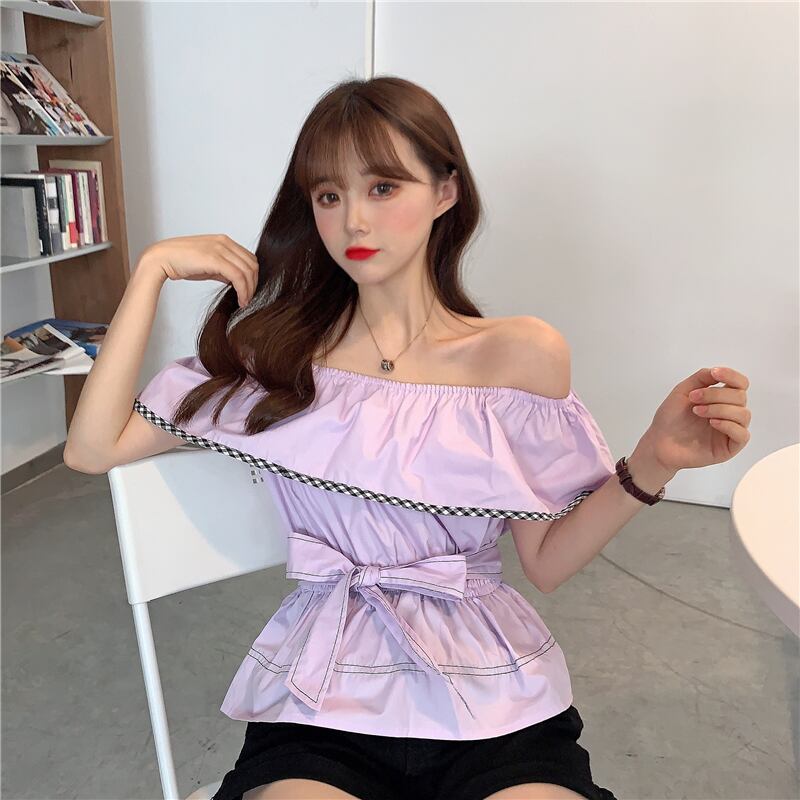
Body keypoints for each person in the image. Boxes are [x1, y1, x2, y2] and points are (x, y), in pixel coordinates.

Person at [64, 76, 751, 800]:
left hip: (490, 696)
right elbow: (91, 447)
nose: (353, 220)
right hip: (325, 692)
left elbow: (546, 562)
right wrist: (149, 273)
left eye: (384, 187)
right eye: (329, 195)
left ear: (446, 192)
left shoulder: (518, 355)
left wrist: (656, 459)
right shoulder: (276, 356)